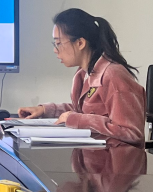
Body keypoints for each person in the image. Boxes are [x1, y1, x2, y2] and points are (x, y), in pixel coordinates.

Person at [18, 9, 146, 145]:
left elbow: (132, 133)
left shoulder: (113, 75)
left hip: (114, 156)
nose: (55, 50)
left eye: (59, 43)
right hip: (92, 154)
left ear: (80, 43)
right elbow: (83, 112)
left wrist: (76, 120)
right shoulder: (83, 74)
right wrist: (45, 110)